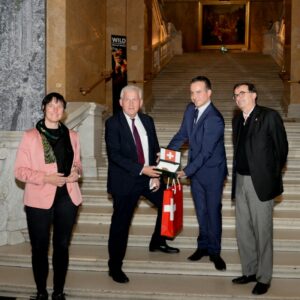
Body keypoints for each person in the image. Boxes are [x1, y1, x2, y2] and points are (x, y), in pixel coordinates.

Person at [105, 84, 179, 284]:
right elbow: (115, 155)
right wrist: (142, 169)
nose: (131, 103)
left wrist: (155, 174)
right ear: (120, 103)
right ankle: (115, 266)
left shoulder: (147, 121)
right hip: (125, 181)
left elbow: (153, 148)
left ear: (140, 102)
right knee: (121, 224)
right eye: (127, 99)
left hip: (148, 177)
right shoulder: (113, 123)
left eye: (134, 99)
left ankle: (157, 241)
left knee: (167, 200)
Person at [14, 92, 82, 300]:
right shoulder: (31, 136)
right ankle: (41, 291)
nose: (55, 110)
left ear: (64, 111)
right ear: (43, 108)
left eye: (59, 106)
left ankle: (59, 291)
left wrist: (75, 173)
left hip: (67, 198)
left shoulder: (72, 135)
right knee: (40, 248)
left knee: (62, 246)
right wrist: (46, 178)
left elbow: (78, 165)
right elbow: (20, 171)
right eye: (51, 106)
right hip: (38, 200)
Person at [231, 82, 288, 295]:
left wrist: (270, 175)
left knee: (262, 231)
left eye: (242, 93)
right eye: (235, 95)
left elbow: (282, 150)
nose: (238, 98)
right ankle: (249, 271)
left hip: (260, 184)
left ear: (254, 95)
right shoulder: (238, 120)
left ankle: (264, 277)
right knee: (243, 230)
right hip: (241, 181)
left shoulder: (269, 116)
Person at [167, 76, 227, 271]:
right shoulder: (189, 109)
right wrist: (166, 160)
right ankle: (202, 247)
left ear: (209, 93)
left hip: (212, 173)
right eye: (192, 92)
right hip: (197, 173)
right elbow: (182, 135)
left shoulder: (215, 118)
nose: (194, 96)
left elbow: (206, 153)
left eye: (199, 92)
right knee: (201, 211)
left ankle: (215, 252)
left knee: (212, 211)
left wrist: (185, 171)